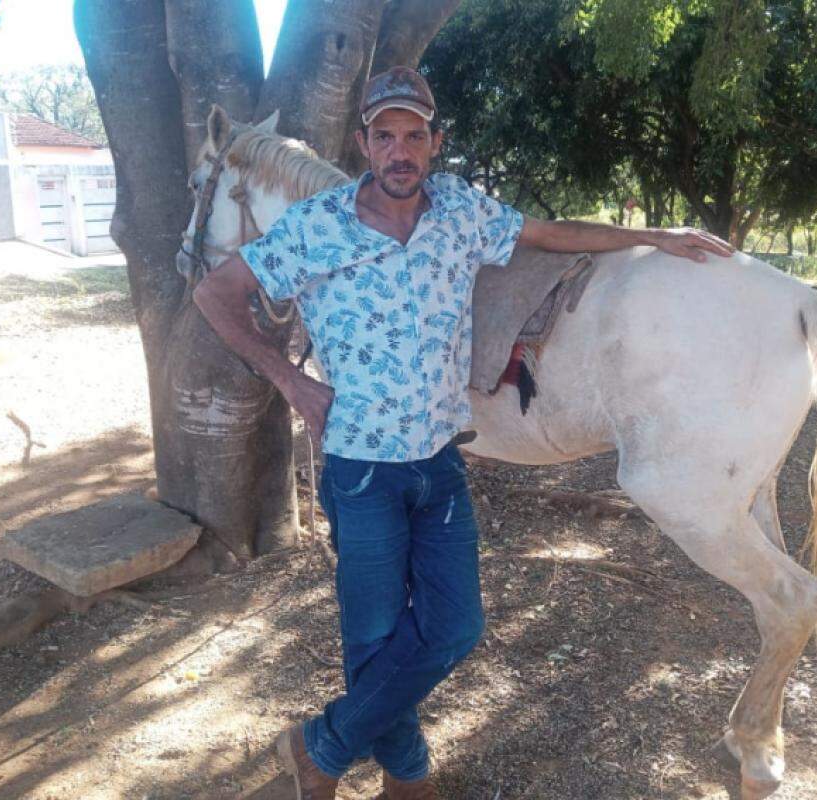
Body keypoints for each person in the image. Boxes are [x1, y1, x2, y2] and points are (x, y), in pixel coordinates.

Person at [193, 66, 733, 800]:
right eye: (385, 136)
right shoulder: (315, 227)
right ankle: (408, 780)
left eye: (415, 135)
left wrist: (651, 236)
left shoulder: (460, 212)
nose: (400, 150)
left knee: (453, 627)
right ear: (364, 144)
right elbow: (214, 291)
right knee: (375, 638)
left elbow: (551, 233)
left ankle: (319, 748)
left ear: (435, 142)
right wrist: (289, 379)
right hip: (361, 467)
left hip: (441, 463)